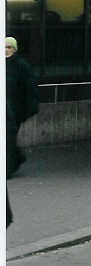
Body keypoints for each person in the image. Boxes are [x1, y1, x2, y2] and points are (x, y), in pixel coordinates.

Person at [6, 36, 39, 177]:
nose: (6, 50)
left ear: (14, 49)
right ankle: (16, 158)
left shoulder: (21, 65)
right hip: (6, 107)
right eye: (4, 47)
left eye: (9, 47)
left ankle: (7, 168)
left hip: (15, 109)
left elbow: (30, 87)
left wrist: (29, 108)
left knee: (8, 138)